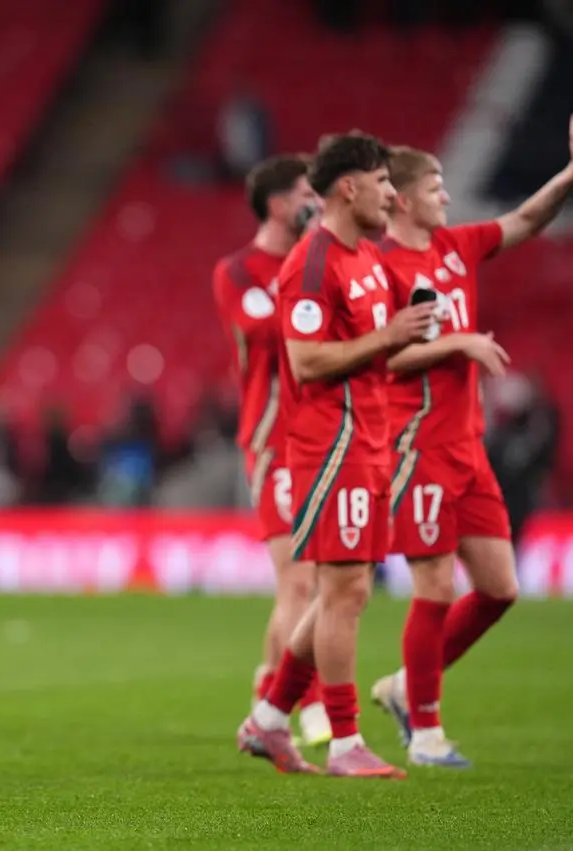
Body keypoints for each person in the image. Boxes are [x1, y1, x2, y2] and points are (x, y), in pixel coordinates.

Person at [370, 113, 573, 766]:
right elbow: (384, 358)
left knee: (500, 589)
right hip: (415, 449)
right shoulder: (381, 267)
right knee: (435, 588)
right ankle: (429, 731)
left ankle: (402, 688)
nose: (448, 195)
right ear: (406, 197)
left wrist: (572, 175)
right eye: (437, 186)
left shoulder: (457, 247)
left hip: (468, 448)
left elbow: (525, 220)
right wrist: (459, 342)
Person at [236, 130, 434, 778]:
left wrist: (438, 344)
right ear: (348, 187)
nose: (391, 194)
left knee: (340, 592)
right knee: (343, 591)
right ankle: (345, 740)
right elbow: (307, 359)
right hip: (331, 444)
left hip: (371, 439)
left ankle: (267, 721)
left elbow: (382, 347)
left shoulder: (370, 259)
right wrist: (388, 335)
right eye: (382, 182)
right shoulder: (313, 261)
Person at [212, 154, 331, 748]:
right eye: (309, 192)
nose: (318, 201)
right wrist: (310, 273)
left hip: (325, 436)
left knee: (311, 583)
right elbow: (265, 329)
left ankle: (268, 688)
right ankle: (305, 704)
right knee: (301, 583)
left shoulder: (316, 263)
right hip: (274, 440)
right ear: (281, 204)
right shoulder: (238, 271)